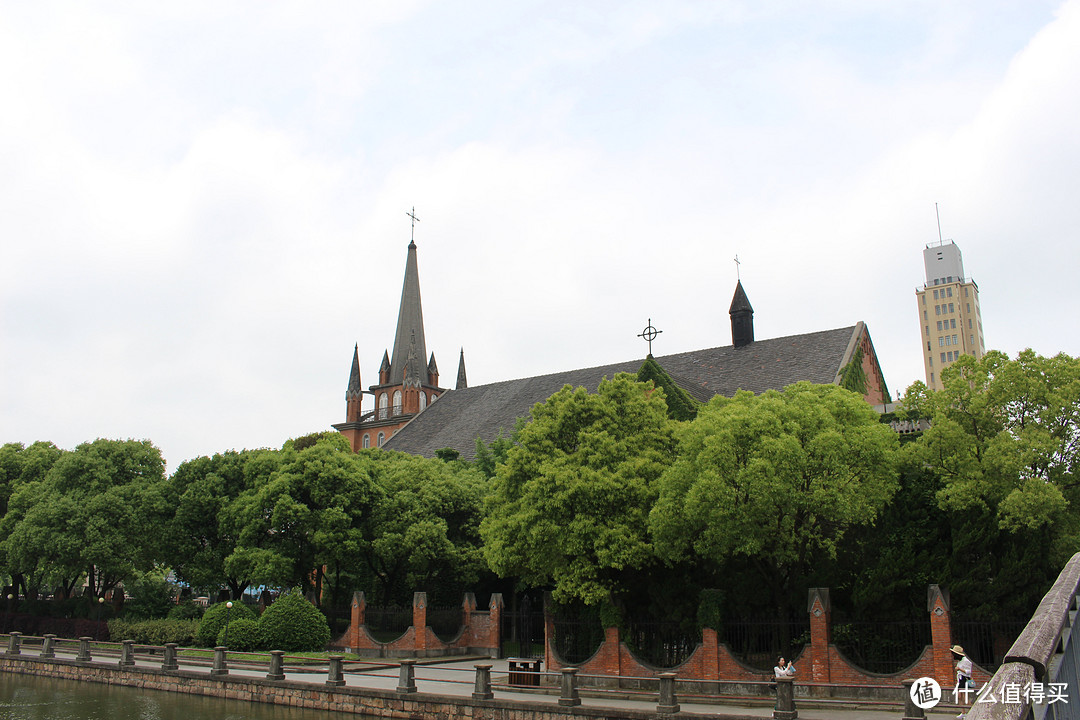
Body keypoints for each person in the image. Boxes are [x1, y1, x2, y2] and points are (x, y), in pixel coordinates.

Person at [952, 644, 973, 716]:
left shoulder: (966, 661)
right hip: (960, 680)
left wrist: (959, 669)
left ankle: (972, 712)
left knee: (965, 697)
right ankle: (963, 712)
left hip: (964, 679)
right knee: (959, 696)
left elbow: (969, 672)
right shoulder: (960, 661)